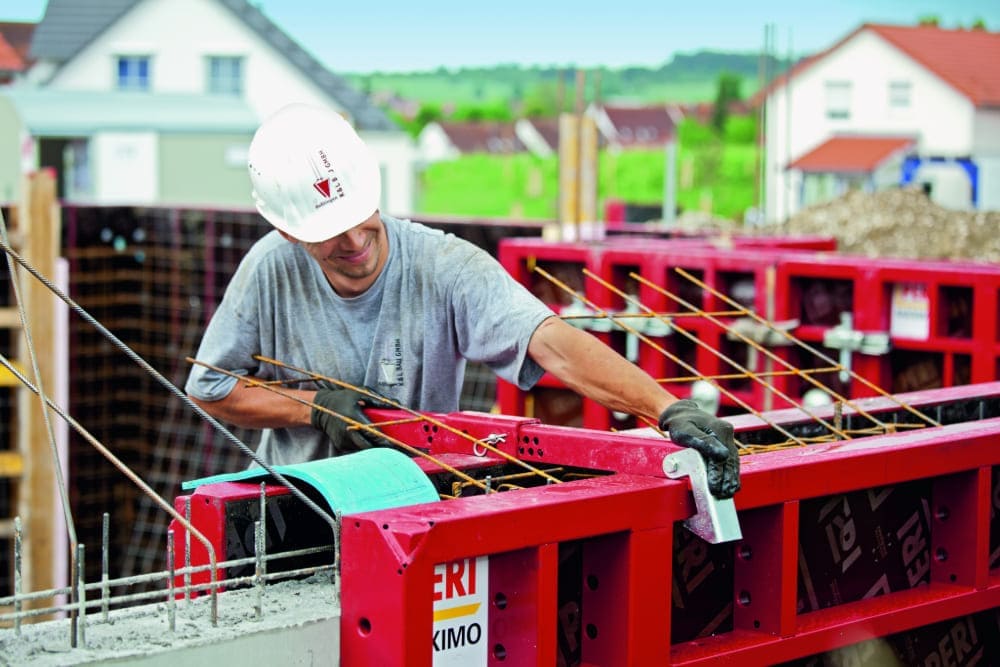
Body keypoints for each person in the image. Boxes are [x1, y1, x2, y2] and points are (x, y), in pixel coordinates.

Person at [185, 103, 740, 499]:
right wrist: (311, 407)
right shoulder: (268, 270)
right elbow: (210, 386)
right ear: (288, 232)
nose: (355, 242)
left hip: (416, 503)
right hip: (299, 504)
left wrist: (668, 409)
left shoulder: (444, 266)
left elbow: (552, 343)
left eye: (361, 219)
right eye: (330, 233)